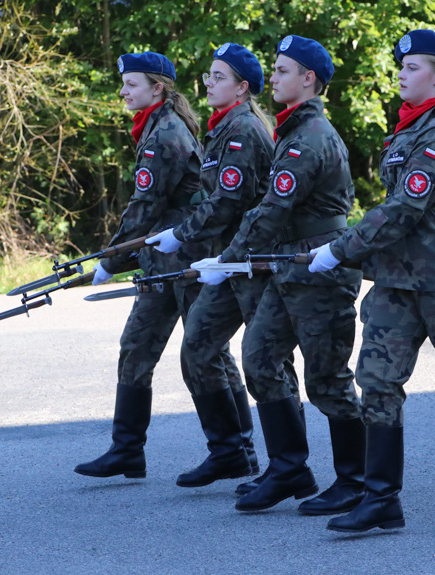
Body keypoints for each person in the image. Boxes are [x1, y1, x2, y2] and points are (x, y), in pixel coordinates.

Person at [310, 30, 435, 533]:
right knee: (377, 382)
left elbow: (405, 206)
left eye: (412, 66)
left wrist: (340, 249)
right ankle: (381, 499)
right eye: (401, 65)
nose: (400, 72)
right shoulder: (413, 125)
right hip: (399, 278)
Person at [193, 36, 365, 514]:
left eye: (283, 70)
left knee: (328, 377)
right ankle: (290, 468)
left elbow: (270, 210)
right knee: (260, 357)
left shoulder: (310, 136)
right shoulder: (292, 131)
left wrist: (227, 259)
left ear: (308, 79)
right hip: (290, 264)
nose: (274, 77)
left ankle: (355, 482)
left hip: (318, 267)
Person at [74, 52, 245, 480]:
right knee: (137, 344)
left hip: (184, 259)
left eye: (131, 84)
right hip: (161, 260)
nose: (123, 91)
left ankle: (236, 449)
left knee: (208, 353)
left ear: (158, 89)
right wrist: (119, 258)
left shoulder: (164, 134)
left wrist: (110, 261)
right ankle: (127, 450)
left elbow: (144, 208)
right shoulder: (155, 126)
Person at [145, 43, 279, 487]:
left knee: (267, 362)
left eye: (219, 77)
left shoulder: (243, 130)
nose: (208, 83)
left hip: (249, 262)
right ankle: (229, 451)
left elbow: (228, 201)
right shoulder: (222, 129)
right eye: (208, 75)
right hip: (224, 261)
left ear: (242, 88)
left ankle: (286, 465)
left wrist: (180, 234)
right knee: (199, 348)